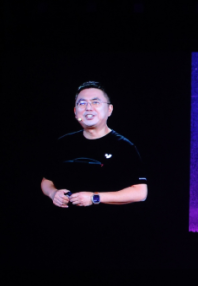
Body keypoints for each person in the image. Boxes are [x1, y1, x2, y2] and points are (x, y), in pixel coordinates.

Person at [41, 81, 147, 213]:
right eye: (82, 103)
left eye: (95, 102)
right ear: (75, 111)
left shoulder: (124, 147)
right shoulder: (63, 143)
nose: (88, 108)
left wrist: (94, 198)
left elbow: (140, 192)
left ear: (109, 110)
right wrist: (53, 193)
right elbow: (47, 180)